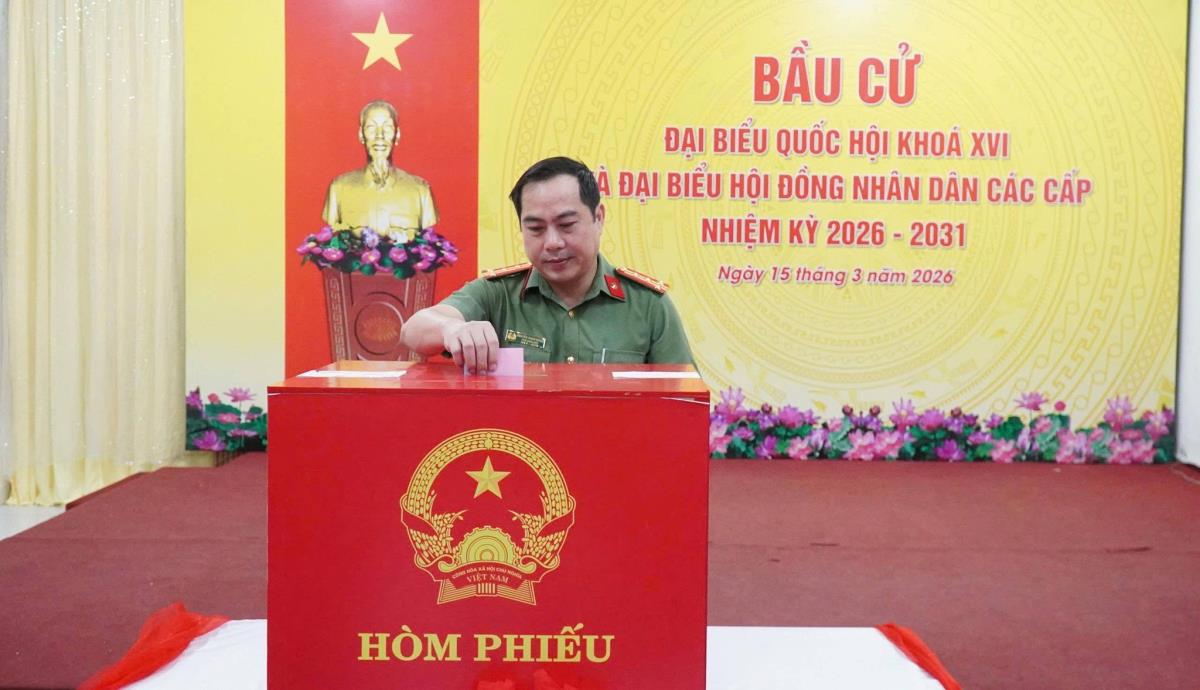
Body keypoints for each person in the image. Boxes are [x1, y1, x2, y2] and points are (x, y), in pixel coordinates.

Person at [400, 156, 693, 373]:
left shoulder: (648, 305)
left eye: (566, 225)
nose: (552, 242)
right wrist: (451, 329)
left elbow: (682, 403)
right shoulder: (498, 295)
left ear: (598, 218)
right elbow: (414, 330)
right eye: (536, 229)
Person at [322, 100, 437, 238]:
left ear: (397, 135)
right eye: (371, 128)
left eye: (387, 128)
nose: (379, 135)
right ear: (361, 135)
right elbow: (333, 237)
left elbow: (428, 241)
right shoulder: (339, 188)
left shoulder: (420, 190)